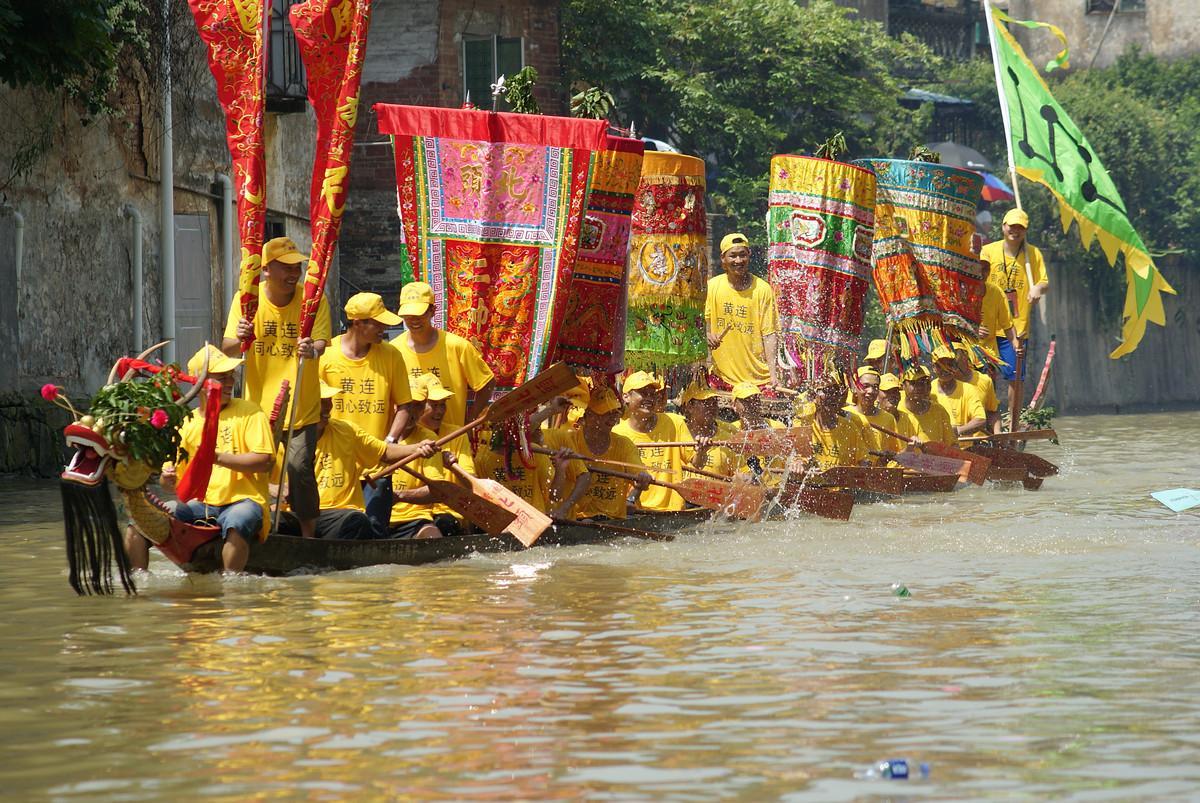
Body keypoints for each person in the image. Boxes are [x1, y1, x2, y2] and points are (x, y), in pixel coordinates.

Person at [129, 345, 275, 573]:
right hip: (199, 504)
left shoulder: (250, 411)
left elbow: (263, 461)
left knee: (237, 521)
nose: (230, 383)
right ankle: (137, 582)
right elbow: (172, 486)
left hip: (244, 499)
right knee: (140, 521)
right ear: (200, 384)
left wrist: (214, 457)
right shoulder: (184, 423)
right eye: (221, 378)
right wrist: (168, 479)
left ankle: (231, 590)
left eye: (231, 376)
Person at [222, 236, 330, 541]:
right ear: (266, 270)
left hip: (302, 403)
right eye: (285, 266)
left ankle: (309, 538)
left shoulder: (313, 299)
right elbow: (228, 348)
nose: (293, 272)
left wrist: (312, 349)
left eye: (297, 265)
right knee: (256, 469)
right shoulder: (247, 300)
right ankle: (253, 529)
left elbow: (321, 342)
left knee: (299, 468)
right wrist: (240, 336)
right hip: (257, 408)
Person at [277, 382, 436, 540]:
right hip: (298, 516)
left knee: (358, 521)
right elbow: (260, 482)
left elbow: (384, 452)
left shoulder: (346, 430)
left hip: (339, 516)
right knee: (268, 522)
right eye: (322, 401)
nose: (329, 407)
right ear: (305, 405)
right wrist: (276, 490)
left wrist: (417, 449)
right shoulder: (282, 438)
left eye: (329, 400)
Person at [317, 292, 412, 534]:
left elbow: (404, 406)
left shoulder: (391, 356)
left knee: (375, 529)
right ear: (357, 323)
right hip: (335, 461)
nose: (383, 329)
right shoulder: (326, 355)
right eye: (377, 323)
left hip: (377, 462)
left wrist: (389, 441)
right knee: (339, 529)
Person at [393, 281, 496, 428]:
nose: (414, 320)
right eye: (408, 315)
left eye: (420, 314)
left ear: (432, 311)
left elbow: (487, 383)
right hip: (409, 445)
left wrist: (470, 422)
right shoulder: (394, 350)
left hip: (452, 440)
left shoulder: (457, 346)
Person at [543, 385, 653, 520]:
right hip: (577, 518)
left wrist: (642, 478)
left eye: (615, 412)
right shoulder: (568, 440)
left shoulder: (624, 444)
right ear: (589, 413)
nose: (613, 418)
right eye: (606, 412)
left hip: (612, 519)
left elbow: (637, 474)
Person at [980, 208, 1047, 415]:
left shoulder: (1032, 254)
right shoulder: (989, 250)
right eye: (1012, 226)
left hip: (1016, 328)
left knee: (1015, 377)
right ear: (1003, 226)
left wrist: (1036, 288)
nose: (1015, 231)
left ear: (1025, 231)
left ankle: (1012, 421)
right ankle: (983, 419)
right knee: (984, 377)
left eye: (1020, 228)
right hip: (988, 326)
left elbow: (1044, 282)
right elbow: (975, 275)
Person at [704, 232, 781, 392]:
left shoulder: (762, 289)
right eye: (733, 256)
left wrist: (774, 375)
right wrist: (707, 335)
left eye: (742, 255)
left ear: (749, 257)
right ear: (723, 259)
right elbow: (700, 322)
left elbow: (769, 334)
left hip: (759, 381)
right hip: (722, 378)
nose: (738, 261)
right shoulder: (712, 287)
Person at [413, 372, 480, 530]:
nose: (440, 411)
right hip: (414, 513)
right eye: (434, 405)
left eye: (442, 404)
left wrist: (452, 467)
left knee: (446, 525)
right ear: (418, 406)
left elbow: (473, 484)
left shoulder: (457, 435)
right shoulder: (405, 434)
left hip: (447, 513)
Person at [614, 371, 685, 511]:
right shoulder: (616, 434)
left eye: (652, 394)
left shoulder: (675, 422)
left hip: (673, 511)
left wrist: (702, 449)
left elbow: (698, 463)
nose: (649, 398)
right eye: (643, 393)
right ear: (626, 397)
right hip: (633, 511)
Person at [809, 373, 872, 472]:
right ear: (814, 397)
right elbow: (797, 459)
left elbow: (863, 459)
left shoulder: (849, 427)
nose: (832, 396)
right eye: (827, 392)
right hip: (811, 485)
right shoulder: (806, 426)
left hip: (841, 486)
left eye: (836, 392)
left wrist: (865, 469)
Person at [677, 382, 737, 478]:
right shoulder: (676, 434)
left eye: (714, 402)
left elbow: (741, 475)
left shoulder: (728, 440)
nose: (712, 407)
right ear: (689, 407)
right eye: (705, 402)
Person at [931, 345, 987, 437]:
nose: (945, 370)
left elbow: (981, 420)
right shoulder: (929, 391)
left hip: (964, 447)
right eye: (940, 366)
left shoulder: (968, 389)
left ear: (956, 367)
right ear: (933, 368)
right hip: (937, 448)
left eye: (949, 365)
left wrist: (957, 431)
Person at [894, 365, 957, 447]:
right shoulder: (898, 410)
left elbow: (952, 444)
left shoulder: (939, 410)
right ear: (903, 386)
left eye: (922, 382)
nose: (919, 387)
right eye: (913, 383)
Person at [847, 366, 903, 455]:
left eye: (875, 387)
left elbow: (894, 454)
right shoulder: (846, 415)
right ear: (855, 387)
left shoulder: (888, 418)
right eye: (865, 386)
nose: (870, 391)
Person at [977, 255, 1020, 369]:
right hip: (964, 355)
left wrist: (1016, 345)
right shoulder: (960, 291)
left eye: (985, 269)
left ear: (989, 271)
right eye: (977, 267)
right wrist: (972, 330)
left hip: (987, 356)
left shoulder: (996, 293)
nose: (981, 273)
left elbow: (1007, 325)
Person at [954, 343, 1002, 436]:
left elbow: (993, 411)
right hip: (952, 443)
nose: (951, 361)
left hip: (979, 442)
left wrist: (997, 431)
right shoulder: (938, 386)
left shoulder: (984, 380)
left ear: (965, 356)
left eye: (954, 355)